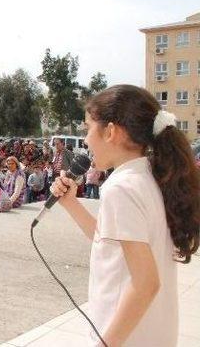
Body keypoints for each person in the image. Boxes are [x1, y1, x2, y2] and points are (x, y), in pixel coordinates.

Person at [50, 85, 200, 347]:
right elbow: (110, 240)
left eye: (88, 128)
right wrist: (72, 204)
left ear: (110, 132)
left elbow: (145, 283)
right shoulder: (147, 179)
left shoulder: (122, 189)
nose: (85, 140)